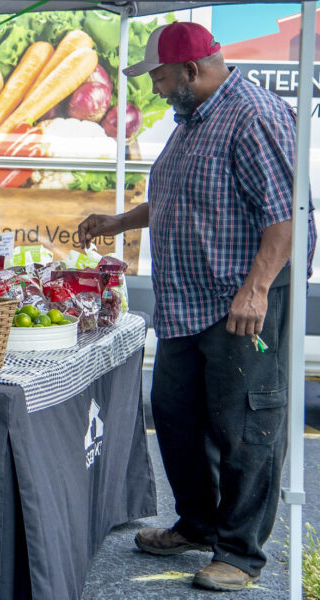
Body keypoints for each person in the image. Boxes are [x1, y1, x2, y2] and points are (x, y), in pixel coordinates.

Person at [77, 22, 316, 592]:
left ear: (191, 70)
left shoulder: (254, 115)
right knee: (177, 416)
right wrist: (118, 221)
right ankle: (197, 524)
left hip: (242, 299)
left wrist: (255, 289)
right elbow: (177, 197)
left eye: (159, 77)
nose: (154, 89)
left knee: (245, 426)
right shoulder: (192, 120)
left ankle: (240, 553)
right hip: (188, 300)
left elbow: (286, 219)